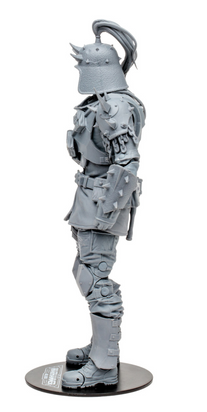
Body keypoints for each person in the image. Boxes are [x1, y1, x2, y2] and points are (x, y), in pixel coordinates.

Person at [62, 20, 146, 389]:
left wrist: (107, 212)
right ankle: (100, 346)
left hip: (101, 202)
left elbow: (127, 164)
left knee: (96, 279)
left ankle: (104, 364)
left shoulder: (114, 106)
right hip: (89, 197)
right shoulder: (104, 102)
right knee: (85, 271)